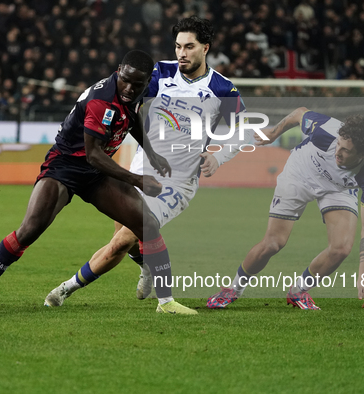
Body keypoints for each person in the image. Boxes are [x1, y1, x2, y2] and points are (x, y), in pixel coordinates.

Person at [44, 16, 246, 314]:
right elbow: (124, 93)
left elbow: (243, 131)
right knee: (125, 235)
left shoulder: (223, 90)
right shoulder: (160, 73)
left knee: (123, 239)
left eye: (189, 47)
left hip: (178, 181)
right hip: (141, 166)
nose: (182, 53)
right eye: (177, 46)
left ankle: (64, 290)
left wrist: (218, 156)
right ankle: (147, 266)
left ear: (205, 48)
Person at [0, 50, 193, 315]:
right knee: (30, 229)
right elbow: (93, 154)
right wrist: (137, 179)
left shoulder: (133, 95)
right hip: (65, 167)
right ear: (118, 71)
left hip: (96, 174)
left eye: (137, 84)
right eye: (125, 80)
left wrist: (152, 154)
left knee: (146, 225)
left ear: (146, 82)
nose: (129, 88)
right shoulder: (102, 100)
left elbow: (132, 119)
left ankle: (166, 302)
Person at [208, 107, 364, 311]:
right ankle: (233, 289)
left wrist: (362, 276)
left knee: (341, 248)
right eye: (339, 145)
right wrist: (273, 133)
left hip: (339, 188)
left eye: (346, 151)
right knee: (273, 243)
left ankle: (299, 291)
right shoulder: (326, 130)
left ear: (363, 154)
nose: (338, 152)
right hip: (300, 173)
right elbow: (299, 113)